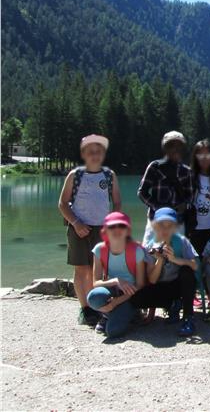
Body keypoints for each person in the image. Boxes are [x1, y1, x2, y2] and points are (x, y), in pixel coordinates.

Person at [59, 134, 121, 326]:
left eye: (98, 151)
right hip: (78, 228)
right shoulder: (75, 175)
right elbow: (62, 204)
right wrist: (76, 223)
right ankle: (86, 309)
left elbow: (117, 203)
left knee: (101, 271)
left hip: (102, 230)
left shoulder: (109, 176)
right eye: (90, 151)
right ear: (84, 154)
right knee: (82, 269)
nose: (95, 155)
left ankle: (101, 307)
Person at [135, 207, 199, 337]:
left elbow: (195, 265)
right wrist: (160, 261)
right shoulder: (149, 247)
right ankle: (172, 306)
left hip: (178, 285)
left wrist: (175, 259)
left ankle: (188, 317)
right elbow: (151, 280)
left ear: (175, 227)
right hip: (161, 286)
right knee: (137, 298)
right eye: (161, 225)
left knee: (187, 272)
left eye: (169, 226)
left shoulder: (182, 242)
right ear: (155, 226)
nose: (165, 229)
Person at [86, 212, 145, 338]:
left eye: (121, 226)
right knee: (94, 297)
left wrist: (116, 302)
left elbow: (140, 284)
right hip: (112, 290)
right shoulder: (99, 249)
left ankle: (131, 313)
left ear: (127, 230)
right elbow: (95, 282)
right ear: (105, 230)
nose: (117, 230)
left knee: (113, 332)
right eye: (112, 227)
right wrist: (116, 281)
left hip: (131, 294)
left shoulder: (137, 250)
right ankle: (107, 315)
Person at [138, 131, 194, 245]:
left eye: (179, 146)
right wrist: (158, 207)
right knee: (148, 254)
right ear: (165, 148)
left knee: (176, 253)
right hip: (155, 219)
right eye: (171, 146)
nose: (175, 149)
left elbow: (190, 196)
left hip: (177, 221)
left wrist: (184, 205)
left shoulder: (186, 171)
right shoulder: (155, 167)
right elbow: (142, 192)